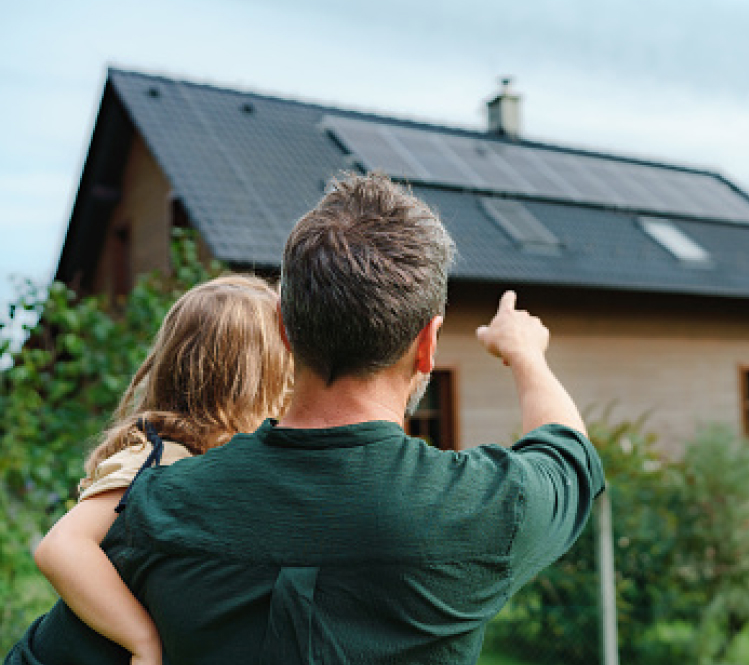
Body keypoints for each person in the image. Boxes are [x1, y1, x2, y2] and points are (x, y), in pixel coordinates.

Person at [6, 172, 604, 665]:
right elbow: (567, 450)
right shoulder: (487, 507)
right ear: (427, 346)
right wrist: (525, 355)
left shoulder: (160, 506)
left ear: (287, 332)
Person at [12, 274, 292, 665]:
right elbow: (61, 548)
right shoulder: (159, 458)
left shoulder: (203, 462)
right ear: (249, 383)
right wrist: (142, 639)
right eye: (284, 374)